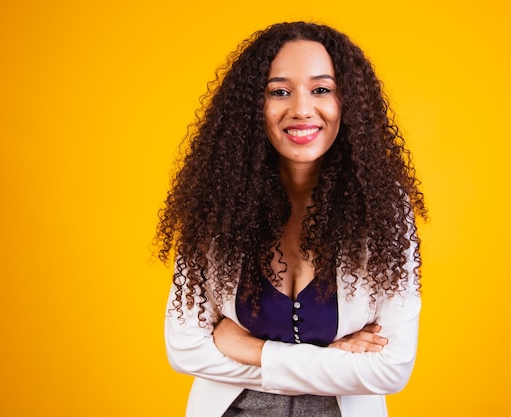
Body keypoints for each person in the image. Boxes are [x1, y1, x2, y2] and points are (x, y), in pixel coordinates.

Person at [156, 21, 427, 417]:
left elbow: (390, 370)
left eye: (322, 89)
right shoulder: (218, 204)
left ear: (348, 102)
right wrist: (334, 360)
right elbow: (184, 349)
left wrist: (254, 350)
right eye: (279, 92)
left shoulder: (384, 211)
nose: (301, 109)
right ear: (253, 107)